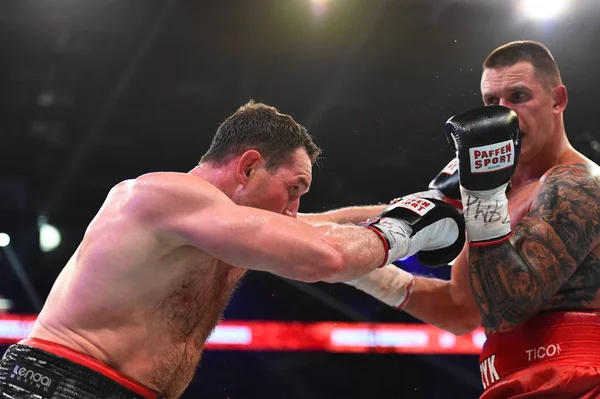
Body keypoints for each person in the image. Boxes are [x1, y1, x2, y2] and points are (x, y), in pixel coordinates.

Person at [0, 100, 464, 399]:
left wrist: (430, 205)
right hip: (61, 382)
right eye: (294, 187)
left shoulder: (221, 223)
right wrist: (407, 227)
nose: (295, 208)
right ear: (248, 167)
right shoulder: (162, 194)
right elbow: (323, 255)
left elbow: (322, 226)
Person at [335, 40, 600, 398]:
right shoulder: (497, 195)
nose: (502, 117)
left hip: (578, 380)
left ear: (557, 100)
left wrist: (480, 197)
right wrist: (336, 250)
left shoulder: (578, 184)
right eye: (492, 102)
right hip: (514, 380)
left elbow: (508, 309)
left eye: (519, 96)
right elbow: (462, 310)